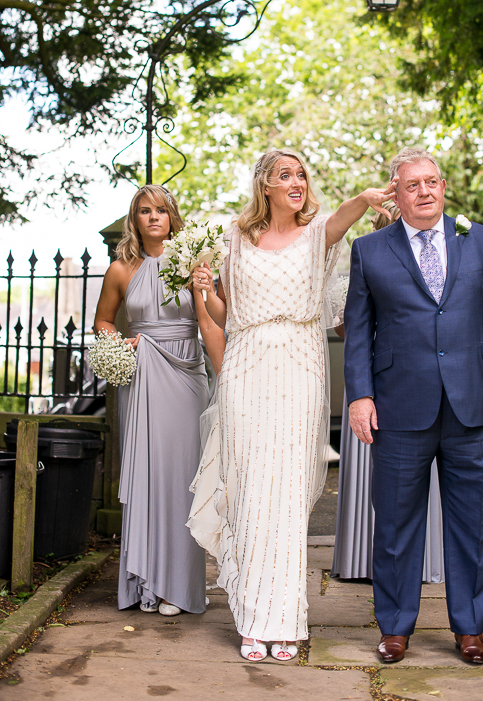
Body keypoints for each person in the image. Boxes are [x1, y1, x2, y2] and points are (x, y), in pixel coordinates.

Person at [187, 149, 394, 662]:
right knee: (252, 489)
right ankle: (253, 620)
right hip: (245, 363)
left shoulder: (318, 231)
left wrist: (368, 198)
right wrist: (205, 289)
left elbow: (345, 215)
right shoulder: (236, 237)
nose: (296, 181)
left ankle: (284, 620)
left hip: (300, 364)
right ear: (266, 185)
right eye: (285, 175)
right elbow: (226, 310)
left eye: (301, 173)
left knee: (286, 496)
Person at [344, 147, 483, 666]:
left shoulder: (481, 240)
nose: (424, 191)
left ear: (443, 188)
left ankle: (469, 628)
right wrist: (359, 394)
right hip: (399, 408)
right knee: (396, 524)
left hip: (473, 406)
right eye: (412, 184)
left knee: (473, 525)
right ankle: (395, 627)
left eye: (432, 182)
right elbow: (359, 331)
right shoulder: (370, 250)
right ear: (395, 194)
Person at [94, 185, 225, 616]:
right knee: (149, 475)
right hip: (143, 376)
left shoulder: (196, 260)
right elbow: (103, 320)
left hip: (187, 373)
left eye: (161, 210)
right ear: (135, 219)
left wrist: (205, 288)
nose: (153, 218)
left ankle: (178, 587)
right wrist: (120, 345)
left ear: (172, 216)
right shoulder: (121, 269)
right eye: (144, 211)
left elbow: (223, 316)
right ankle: (143, 581)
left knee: (182, 476)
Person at [331, 202, 444, 584]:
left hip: (417, 385)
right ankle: (360, 560)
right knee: (381, 485)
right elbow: (350, 328)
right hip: (370, 381)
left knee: (412, 483)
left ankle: (422, 562)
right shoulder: (368, 256)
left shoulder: (440, 256)